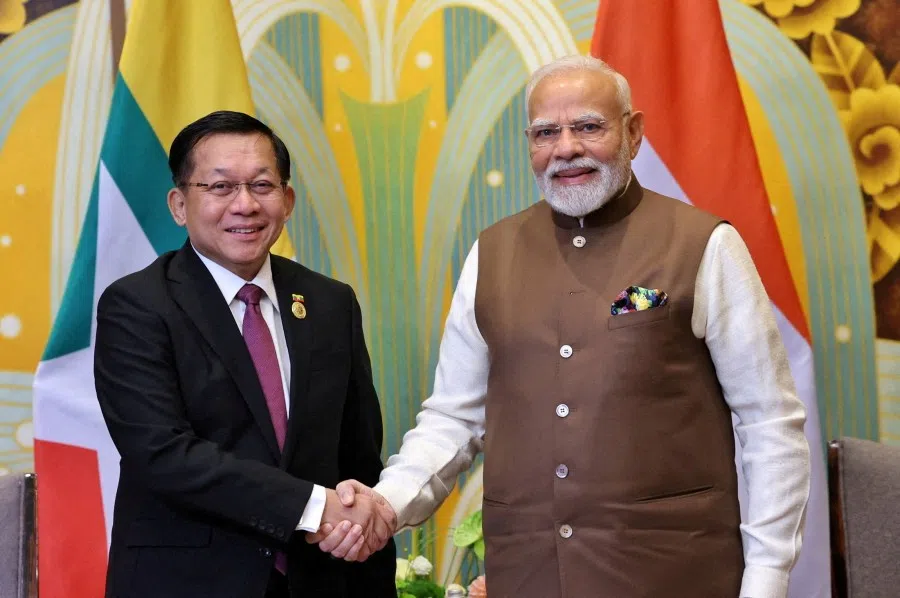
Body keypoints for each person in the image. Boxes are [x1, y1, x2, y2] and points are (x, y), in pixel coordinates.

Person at [310, 55, 811, 598]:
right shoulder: (492, 253)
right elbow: (454, 416)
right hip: (528, 574)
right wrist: (389, 502)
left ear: (634, 132)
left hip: (674, 573)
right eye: (546, 132)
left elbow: (769, 423)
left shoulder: (705, 244)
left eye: (589, 126)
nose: (566, 147)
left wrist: (766, 580)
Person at [94, 110, 396, 598]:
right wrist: (314, 507)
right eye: (220, 188)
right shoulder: (137, 306)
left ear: (287, 199)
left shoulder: (329, 302)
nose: (245, 205)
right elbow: (164, 454)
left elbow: (357, 456)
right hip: (187, 583)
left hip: (319, 581)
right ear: (178, 203)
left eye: (262, 185)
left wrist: (367, 551)